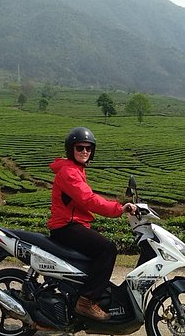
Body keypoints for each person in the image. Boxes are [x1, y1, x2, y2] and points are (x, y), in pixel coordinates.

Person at [47, 127, 136, 321]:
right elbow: (88, 199)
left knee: (98, 250)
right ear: (71, 149)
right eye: (80, 148)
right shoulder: (69, 172)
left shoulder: (76, 170)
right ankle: (86, 301)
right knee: (107, 249)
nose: (84, 152)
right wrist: (118, 209)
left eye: (88, 148)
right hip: (66, 227)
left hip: (74, 225)